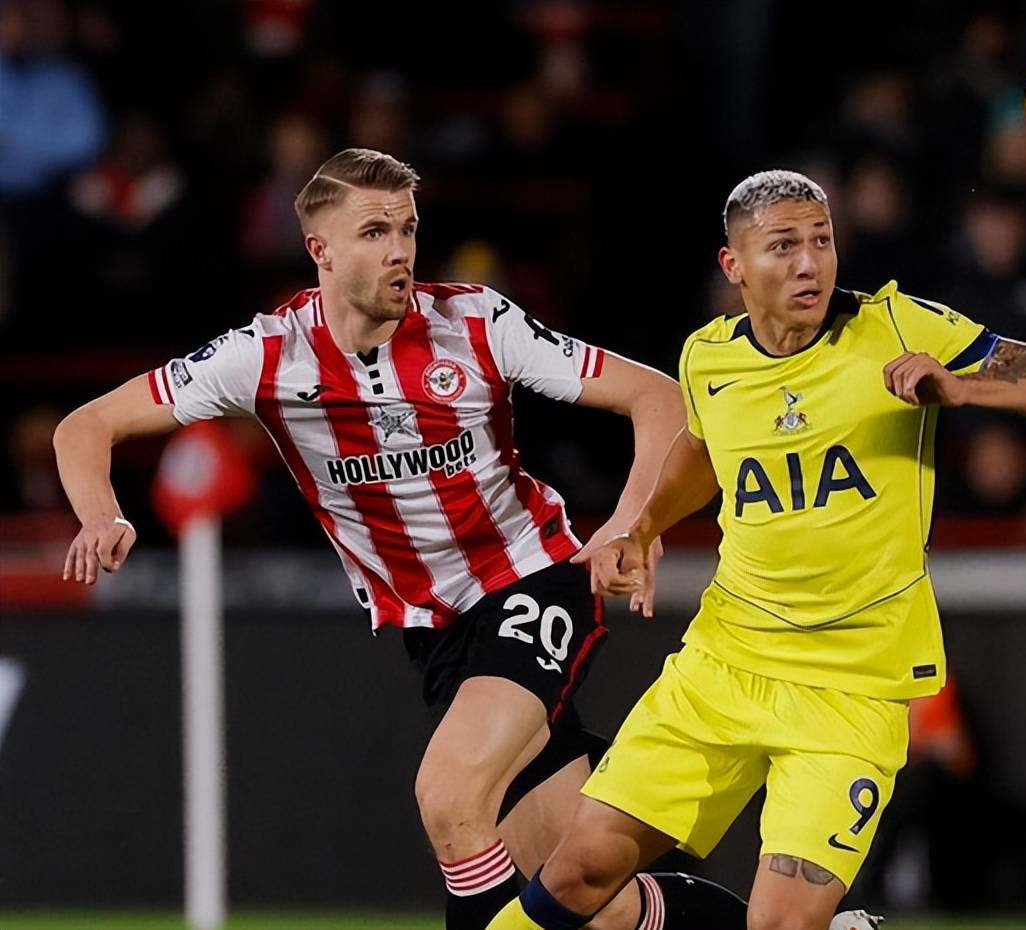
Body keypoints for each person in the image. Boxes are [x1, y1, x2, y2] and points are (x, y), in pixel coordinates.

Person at [53, 148, 746, 930]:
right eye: (375, 231)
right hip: (439, 635)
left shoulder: (475, 323)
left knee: (449, 795)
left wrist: (630, 525)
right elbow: (87, 425)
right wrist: (102, 513)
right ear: (320, 250)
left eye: (408, 229)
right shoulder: (267, 356)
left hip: (533, 582)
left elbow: (658, 398)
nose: (400, 250)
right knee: (592, 902)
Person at [486, 169, 1026, 930]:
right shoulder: (708, 357)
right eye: (783, 246)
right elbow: (704, 452)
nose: (810, 263)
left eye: (822, 241)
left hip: (854, 684)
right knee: (581, 869)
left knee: (779, 925)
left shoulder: (899, 326)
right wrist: (641, 526)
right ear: (734, 265)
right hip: (726, 662)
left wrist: (963, 388)